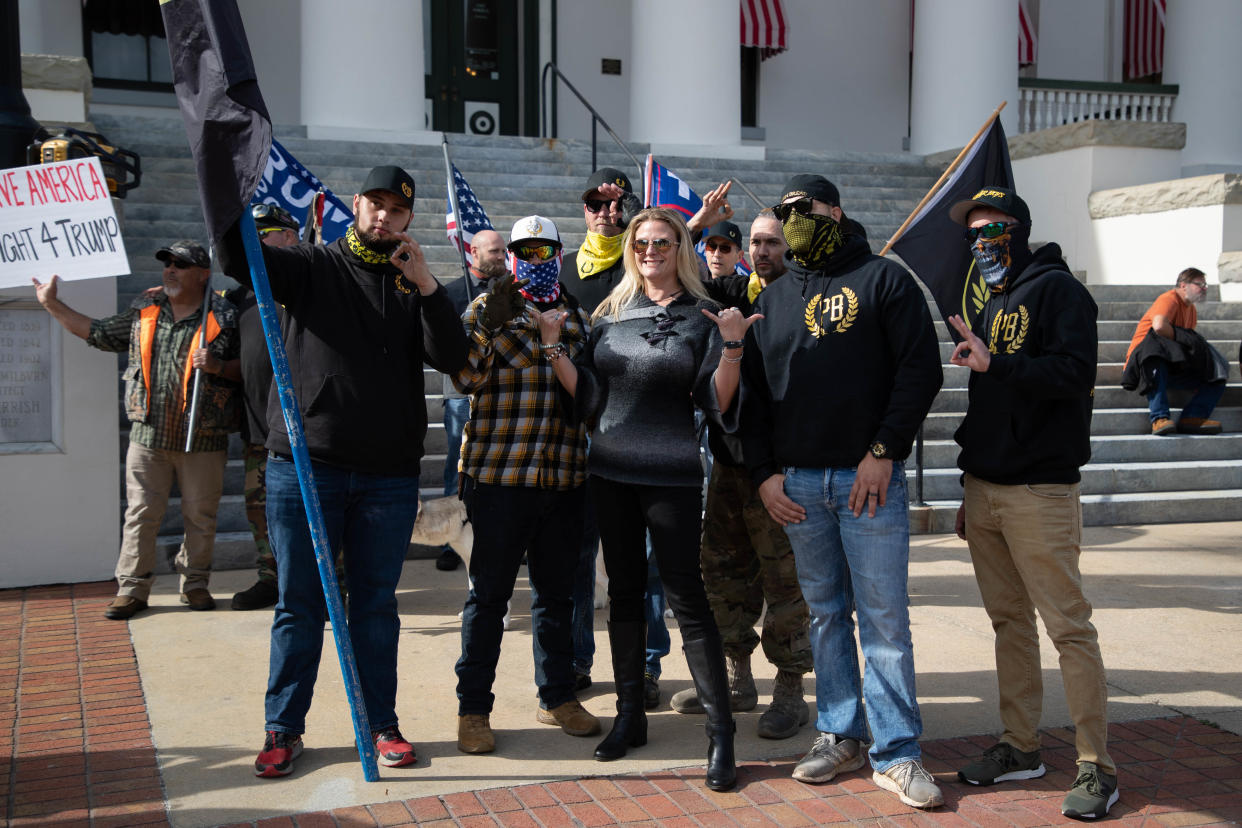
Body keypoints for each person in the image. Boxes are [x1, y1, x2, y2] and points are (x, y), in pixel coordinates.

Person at [216, 165, 469, 778]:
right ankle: (283, 728)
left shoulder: (414, 284)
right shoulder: (311, 264)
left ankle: (381, 723)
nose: (384, 217)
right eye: (375, 204)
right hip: (306, 466)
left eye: (397, 210)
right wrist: (221, 187)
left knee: (376, 607)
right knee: (300, 604)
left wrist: (430, 287)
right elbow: (236, 256)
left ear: (410, 219)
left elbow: (455, 359)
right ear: (355, 206)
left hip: (386, 474)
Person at [540, 206, 760, 792]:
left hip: (672, 475)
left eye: (661, 241)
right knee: (626, 595)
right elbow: (588, 394)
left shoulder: (704, 315)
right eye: (640, 242)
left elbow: (715, 400)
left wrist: (734, 348)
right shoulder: (611, 312)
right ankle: (630, 716)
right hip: (610, 471)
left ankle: (721, 736)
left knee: (688, 596)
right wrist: (555, 349)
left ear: (680, 247)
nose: (649, 251)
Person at [742, 175, 944, 808]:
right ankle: (839, 733)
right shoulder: (773, 300)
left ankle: (897, 751)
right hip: (799, 484)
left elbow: (920, 370)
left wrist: (885, 450)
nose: (794, 219)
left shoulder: (885, 280)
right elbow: (751, 397)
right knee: (827, 615)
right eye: (784, 212)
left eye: (805, 209)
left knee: (884, 618)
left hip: (868, 481)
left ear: (835, 210)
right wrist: (764, 474)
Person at [947, 187, 1118, 819]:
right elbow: (988, 402)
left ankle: (1097, 765)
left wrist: (999, 365)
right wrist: (971, 480)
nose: (981, 243)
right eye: (974, 235)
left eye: (992, 231)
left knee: (1068, 628)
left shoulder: (1060, 291)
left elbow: (1074, 374)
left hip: (1041, 488)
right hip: (986, 487)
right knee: (1008, 624)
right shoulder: (990, 302)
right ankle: (1021, 746)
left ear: (1018, 232)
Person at [450, 216, 598, 753]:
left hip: (562, 476)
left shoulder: (577, 315)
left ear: (558, 254)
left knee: (555, 598)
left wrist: (556, 341)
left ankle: (556, 695)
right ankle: (473, 709)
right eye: (524, 250)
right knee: (488, 599)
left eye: (543, 250)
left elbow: (588, 399)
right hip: (498, 478)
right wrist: (488, 324)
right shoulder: (484, 309)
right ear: (510, 255)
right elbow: (463, 379)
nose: (534, 259)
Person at [33, 242, 240, 620]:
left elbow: (252, 368)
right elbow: (98, 333)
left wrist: (219, 366)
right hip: (148, 437)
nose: (170, 270)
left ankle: (195, 584)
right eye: (167, 263)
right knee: (142, 513)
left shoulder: (224, 313)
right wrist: (51, 303)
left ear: (203, 274)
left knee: (201, 516)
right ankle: (131, 590)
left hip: (203, 437)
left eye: (181, 264)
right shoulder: (144, 307)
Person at [670, 209, 813, 741]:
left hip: (781, 470)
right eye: (754, 242)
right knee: (722, 573)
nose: (760, 250)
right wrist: (698, 222)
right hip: (730, 463)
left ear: (790, 247)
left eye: (771, 242)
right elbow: (673, 263)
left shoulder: (805, 300)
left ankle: (790, 689)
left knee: (786, 583)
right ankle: (738, 677)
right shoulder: (728, 291)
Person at [230, 204, 304, 611]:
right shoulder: (239, 294)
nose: (255, 241)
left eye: (265, 233)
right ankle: (270, 578)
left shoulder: (304, 284)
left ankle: (336, 584)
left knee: (319, 517)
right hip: (258, 429)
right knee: (261, 512)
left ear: (289, 237)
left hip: (304, 430)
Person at [438, 228, 509, 572]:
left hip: (502, 395)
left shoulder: (512, 292)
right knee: (459, 468)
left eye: (502, 251)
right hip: (461, 396)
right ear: (473, 252)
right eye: (493, 251)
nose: (500, 256)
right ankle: (454, 539)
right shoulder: (452, 293)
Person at [1122, 267, 1226, 435]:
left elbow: (1185, 345)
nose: (1204, 288)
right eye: (1200, 284)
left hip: (1172, 364)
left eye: (1205, 285)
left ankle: (1192, 417)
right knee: (1155, 357)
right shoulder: (1169, 299)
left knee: (1216, 375)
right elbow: (1159, 326)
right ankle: (1159, 418)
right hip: (1144, 364)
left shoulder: (1191, 311)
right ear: (1183, 285)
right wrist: (1183, 336)